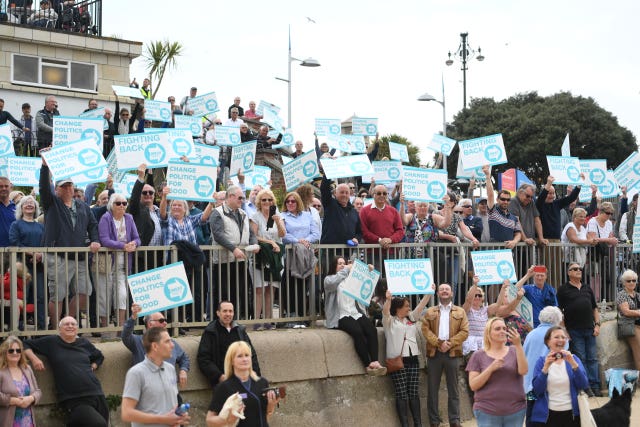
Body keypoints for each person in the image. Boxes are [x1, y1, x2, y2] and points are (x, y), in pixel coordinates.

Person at [39, 159, 101, 325]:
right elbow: (44, 187)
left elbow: (93, 225)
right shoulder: (51, 203)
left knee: (85, 292)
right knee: (57, 295)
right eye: (63, 186)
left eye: (70, 185)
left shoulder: (83, 206)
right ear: (57, 189)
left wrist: (95, 240)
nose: (67, 188)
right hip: (58, 256)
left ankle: (66, 322)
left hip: (79, 256)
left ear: (74, 187)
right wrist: (45, 166)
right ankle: (55, 330)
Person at [23, 316, 109, 427]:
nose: (70, 326)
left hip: (96, 392)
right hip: (74, 398)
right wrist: (34, 359)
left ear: (77, 328)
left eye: (73, 324)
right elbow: (24, 344)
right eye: (66, 324)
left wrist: (93, 366)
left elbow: (99, 356)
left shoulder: (83, 343)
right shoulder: (51, 342)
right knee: (99, 424)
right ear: (59, 329)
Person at [324, 256, 387, 375]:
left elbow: (367, 286)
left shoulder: (351, 278)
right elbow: (332, 283)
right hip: (341, 315)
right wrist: (347, 268)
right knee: (357, 332)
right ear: (334, 266)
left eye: (344, 263)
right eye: (339, 264)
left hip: (355, 312)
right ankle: (367, 364)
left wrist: (369, 271)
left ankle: (375, 361)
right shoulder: (329, 279)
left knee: (371, 330)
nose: (342, 265)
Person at [159, 186, 213, 321]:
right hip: (174, 261)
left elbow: (204, 217)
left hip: (191, 261)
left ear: (185, 208)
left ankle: (193, 319)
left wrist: (212, 202)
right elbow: (162, 213)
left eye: (179, 205)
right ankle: (176, 321)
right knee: (177, 291)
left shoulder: (190, 220)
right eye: (174, 205)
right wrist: (165, 197)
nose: (176, 207)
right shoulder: (168, 221)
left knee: (194, 290)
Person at [383, 288, 433, 427]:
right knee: (401, 393)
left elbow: (421, 306)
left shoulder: (411, 318)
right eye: (406, 306)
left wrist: (429, 292)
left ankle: (418, 424)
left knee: (413, 392)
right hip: (398, 361)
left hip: (413, 359)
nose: (408, 308)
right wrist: (388, 300)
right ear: (398, 308)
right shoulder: (390, 321)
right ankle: (405, 424)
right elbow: (385, 312)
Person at [121, 327, 191, 427]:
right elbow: (127, 413)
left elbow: (171, 408)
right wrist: (164, 420)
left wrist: (178, 416)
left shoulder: (170, 369)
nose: (172, 345)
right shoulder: (136, 373)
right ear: (155, 346)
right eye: (167, 342)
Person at [421, 283, 469, 427]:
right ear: (438, 294)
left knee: (453, 389)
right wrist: (438, 343)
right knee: (432, 390)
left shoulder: (460, 312)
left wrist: (449, 343)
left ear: (452, 293)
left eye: (447, 289)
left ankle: (454, 420)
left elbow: (465, 331)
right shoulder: (430, 311)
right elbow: (425, 329)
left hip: (452, 353)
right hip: (434, 353)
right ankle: (434, 421)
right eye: (441, 289)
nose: (444, 291)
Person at [466, 317, 527, 426]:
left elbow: (524, 370)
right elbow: (473, 385)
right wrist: (490, 369)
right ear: (488, 333)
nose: (502, 331)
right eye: (497, 329)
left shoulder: (515, 350)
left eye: (504, 328)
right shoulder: (478, 355)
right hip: (487, 411)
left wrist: (518, 345)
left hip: (515, 411)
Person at [209, 185, 259, 318]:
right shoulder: (217, 212)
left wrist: (255, 244)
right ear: (230, 197)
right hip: (223, 261)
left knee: (242, 291)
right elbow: (218, 235)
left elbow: (251, 233)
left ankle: (239, 318)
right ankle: (220, 321)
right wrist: (233, 248)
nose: (242, 200)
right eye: (240, 197)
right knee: (223, 293)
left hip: (241, 260)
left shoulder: (243, 213)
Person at [206, 341, 280, 427]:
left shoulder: (262, 383)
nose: (244, 359)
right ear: (232, 361)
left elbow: (266, 415)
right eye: (240, 356)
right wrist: (227, 420)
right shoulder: (224, 387)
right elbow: (209, 420)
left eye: (247, 355)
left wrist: (271, 405)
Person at [530, 326, 589, 427]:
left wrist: (573, 364)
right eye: (557, 337)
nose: (561, 340)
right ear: (548, 341)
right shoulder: (541, 361)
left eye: (563, 337)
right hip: (548, 415)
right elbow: (537, 390)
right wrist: (545, 368)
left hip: (572, 414)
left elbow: (584, 385)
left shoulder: (574, 359)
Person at [557, 262, 601, 396]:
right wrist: (564, 330)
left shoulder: (587, 288)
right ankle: (586, 387)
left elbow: (594, 308)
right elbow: (559, 311)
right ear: (568, 273)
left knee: (592, 359)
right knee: (580, 359)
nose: (578, 271)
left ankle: (596, 387)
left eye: (579, 269)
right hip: (574, 330)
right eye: (574, 269)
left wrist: (598, 324)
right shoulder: (563, 289)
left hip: (590, 329)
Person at [97, 193, 140, 328]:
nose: (122, 205)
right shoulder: (106, 218)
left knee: (122, 295)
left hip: (124, 264)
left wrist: (134, 243)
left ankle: (121, 330)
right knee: (105, 296)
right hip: (108, 263)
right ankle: (105, 330)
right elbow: (104, 240)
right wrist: (123, 246)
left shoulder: (129, 218)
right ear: (111, 205)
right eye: (118, 203)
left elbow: (138, 238)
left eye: (124, 203)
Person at [122, 304, 190, 387]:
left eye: (165, 320)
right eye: (161, 321)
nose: (165, 323)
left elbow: (184, 357)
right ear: (150, 324)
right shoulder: (138, 341)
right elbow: (126, 336)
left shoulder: (171, 342)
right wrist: (133, 317)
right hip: (147, 393)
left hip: (169, 391)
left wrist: (183, 370)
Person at [197, 301, 261, 389]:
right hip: (224, 383)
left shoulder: (240, 330)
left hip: (244, 380)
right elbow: (203, 359)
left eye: (230, 311)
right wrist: (219, 376)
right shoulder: (210, 332)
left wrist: (256, 377)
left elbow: (251, 354)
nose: (228, 314)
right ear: (218, 313)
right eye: (225, 311)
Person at [522, 306, 565, 426]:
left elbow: (523, 355)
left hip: (529, 384)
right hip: (551, 385)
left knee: (531, 415)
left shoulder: (531, 334)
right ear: (558, 319)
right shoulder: (560, 336)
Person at [8, 195, 45, 329]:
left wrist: (40, 255)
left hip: (39, 266)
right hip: (21, 266)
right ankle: (20, 327)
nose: (29, 205)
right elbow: (14, 242)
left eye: (32, 203)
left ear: (35, 208)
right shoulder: (16, 224)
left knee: (41, 297)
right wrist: (32, 253)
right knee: (22, 297)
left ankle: (41, 328)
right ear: (21, 208)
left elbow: (45, 243)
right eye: (26, 203)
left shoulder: (41, 226)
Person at [282, 191, 320, 319]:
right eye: (288, 201)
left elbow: (316, 233)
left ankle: (303, 315)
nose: (290, 203)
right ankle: (291, 314)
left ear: (298, 202)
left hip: (305, 256)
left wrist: (305, 241)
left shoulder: (307, 215)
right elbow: (283, 234)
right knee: (291, 287)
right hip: (290, 256)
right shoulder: (282, 216)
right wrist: (298, 241)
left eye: (293, 201)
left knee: (305, 287)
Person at [250, 189, 285, 328]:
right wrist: (271, 242)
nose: (267, 202)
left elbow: (283, 234)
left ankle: (268, 320)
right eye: (264, 200)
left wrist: (278, 222)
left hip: (276, 256)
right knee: (260, 288)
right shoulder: (255, 216)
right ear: (259, 202)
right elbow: (254, 236)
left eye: (269, 200)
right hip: (261, 256)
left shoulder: (277, 215)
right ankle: (257, 321)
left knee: (271, 288)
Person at [127, 164, 163, 272]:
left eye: (150, 192)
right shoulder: (137, 209)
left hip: (159, 255)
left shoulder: (160, 211)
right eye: (144, 192)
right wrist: (141, 177)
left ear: (154, 194)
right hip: (142, 256)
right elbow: (134, 199)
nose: (148, 194)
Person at [0, 336, 41, 427]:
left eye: (18, 350)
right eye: (11, 350)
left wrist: (31, 398)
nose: (15, 353)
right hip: (8, 421)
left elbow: (38, 391)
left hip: (28, 421)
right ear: (4, 352)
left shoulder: (27, 369)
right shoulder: (1, 371)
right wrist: (13, 401)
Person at [461, 276, 502, 357]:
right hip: (471, 345)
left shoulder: (486, 310)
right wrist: (475, 284)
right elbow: (469, 300)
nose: (477, 297)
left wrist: (503, 288)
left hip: (484, 344)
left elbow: (498, 304)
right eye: (475, 295)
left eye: (479, 295)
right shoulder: (467, 309)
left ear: (482, 298)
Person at [483, 165, 522, 248]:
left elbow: (518, 233)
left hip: (509, 252)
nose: (505, 201)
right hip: (494, 250)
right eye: (503, 199)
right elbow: (490, 195)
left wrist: (514, 241)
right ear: (497, 199)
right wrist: (487, 176)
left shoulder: (514, 218)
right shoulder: (492, 211)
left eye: (508, 200)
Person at [320, 176, 361, 252]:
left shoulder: (354, 212)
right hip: (330, 252)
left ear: (349, 194)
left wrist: (356, 238)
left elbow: (359, 231)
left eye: (346, 193)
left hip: (347, 252)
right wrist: (327, 174)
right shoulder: (330, 204)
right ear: (335, 193)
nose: (344, 195)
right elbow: (324, 189)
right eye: (342, 192)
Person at [586, 201, 617, 301]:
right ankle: (593, 301)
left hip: (604, 254)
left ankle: (605, 301)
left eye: (611, 213)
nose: (609, 216)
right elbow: (593, 238)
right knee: (593, 278)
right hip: (593, 254)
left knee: (606, 278)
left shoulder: (609, 223)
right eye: (607, 213)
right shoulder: (592, 221)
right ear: (601, 212)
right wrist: (609, 240)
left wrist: (612, 240)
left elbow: (610, 237)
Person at [616, 269, 640, 370]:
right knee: (638, 352)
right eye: (628, 281)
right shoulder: (622, 295)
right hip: (630, 326)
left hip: (638, 324)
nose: (631, 283)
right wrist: (638, 312)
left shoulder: (637, 295)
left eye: (634, 280)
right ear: (624, 283)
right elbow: (626, 311)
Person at [0, 177, 16, 247]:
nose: (4, 188)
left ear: (11, 188)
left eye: (6, 186)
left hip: (14, 251)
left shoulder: (17, 208)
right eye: (0, 186)